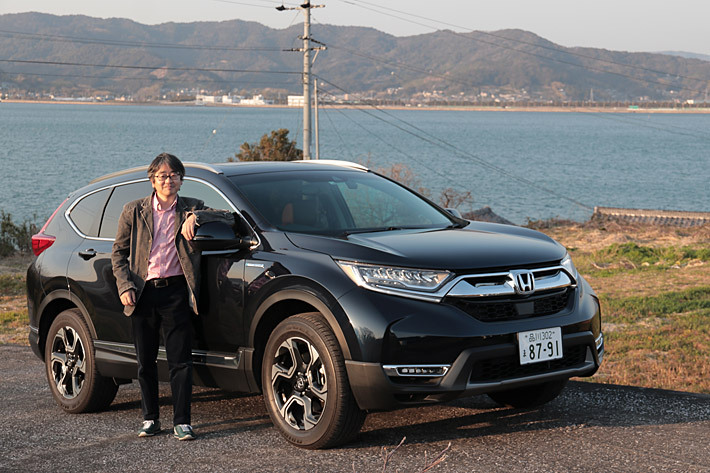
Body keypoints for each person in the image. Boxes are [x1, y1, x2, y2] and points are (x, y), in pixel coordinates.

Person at [111, 153, 234, 440]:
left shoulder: (192, 207)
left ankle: (182, 422)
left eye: (174, 175)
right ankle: (150, 418)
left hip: (177, 292)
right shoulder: (134, 210)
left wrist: (196, 217)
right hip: (143, 293)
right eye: (163, 176)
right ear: (152, 180)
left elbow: (229, 218)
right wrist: (125, 286)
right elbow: (118, 254)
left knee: (181, 361)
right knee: (146, 362)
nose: (169, 180)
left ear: (181, 179)